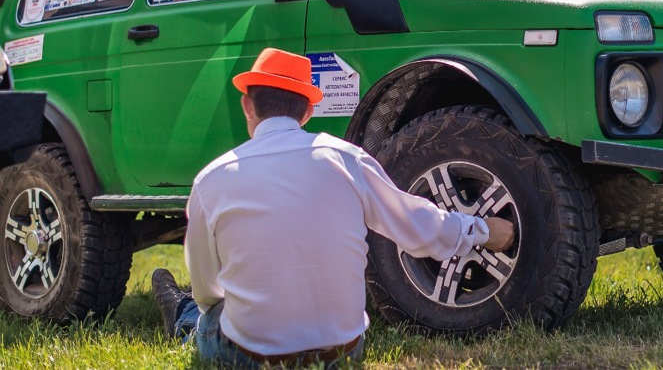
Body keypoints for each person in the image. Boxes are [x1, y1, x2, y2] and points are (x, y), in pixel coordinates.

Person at [152, 48, 515, 368]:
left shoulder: (211, 179)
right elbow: (418, 225)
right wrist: (482, 230)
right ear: (308, 110)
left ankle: (180, 317)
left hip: (251, 356)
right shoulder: (346, 160)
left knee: (202, 315)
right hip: (341, 352)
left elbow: (208, 289)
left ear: (248, 103)